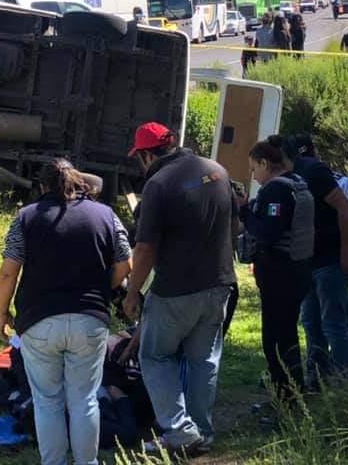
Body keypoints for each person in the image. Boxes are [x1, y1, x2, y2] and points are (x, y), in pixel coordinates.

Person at [0, 158, 132, 465]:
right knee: (85, 400)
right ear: (79, 183)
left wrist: (2, 312)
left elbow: (8, 273)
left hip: (39, 320)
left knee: (47, 401)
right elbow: (127, 264)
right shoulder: (106, 215)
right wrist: (103, 286)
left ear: (43, 187)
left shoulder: (26, 217)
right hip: (90, 318)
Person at [123, 122, 236, 456]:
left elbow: (144, 249)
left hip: (175, 290)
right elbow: (235, 224)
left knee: (156, 356)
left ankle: (180, 431)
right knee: (204, 360)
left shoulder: (158, 184)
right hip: (220, 284)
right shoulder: (217, 171)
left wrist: (133, 294)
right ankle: (202, 431)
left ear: (145, 155)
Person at [234, 136, 314, 404]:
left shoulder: (275, 189)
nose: (254, 177)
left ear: (265, 163)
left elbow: (266, 233)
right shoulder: (298, 183)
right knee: (288, 336)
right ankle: (293, 394)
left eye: (254, 169)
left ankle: (285, 398)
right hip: (298, 270)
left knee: (275, 341)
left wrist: (245, 211)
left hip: (280, 275)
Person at [284, 134, 348, 385]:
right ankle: (317, 379)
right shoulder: (294, 175)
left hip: (329, 261)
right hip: (308, 262)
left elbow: (347, 211)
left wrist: (346, 253)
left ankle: (346, 383)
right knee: (311, 322)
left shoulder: (317, 174)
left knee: (333, 323)